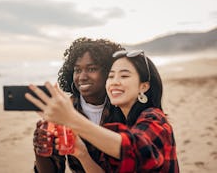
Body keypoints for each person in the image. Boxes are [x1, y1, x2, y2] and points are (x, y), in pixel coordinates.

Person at [26, 50, 179, 172]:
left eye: (124, 75)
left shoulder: (154, 119)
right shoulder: (118, 121)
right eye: (111, 76)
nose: (115, 82)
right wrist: (82, 154)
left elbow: (136, 150)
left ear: (143, 86)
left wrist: (71, 119)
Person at [32, 37, 124, 172]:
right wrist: (41, 150)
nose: (82, 77)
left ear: (109, 72)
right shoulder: (63, 110)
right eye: (77, 70)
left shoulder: (124, 106)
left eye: (92, 69)